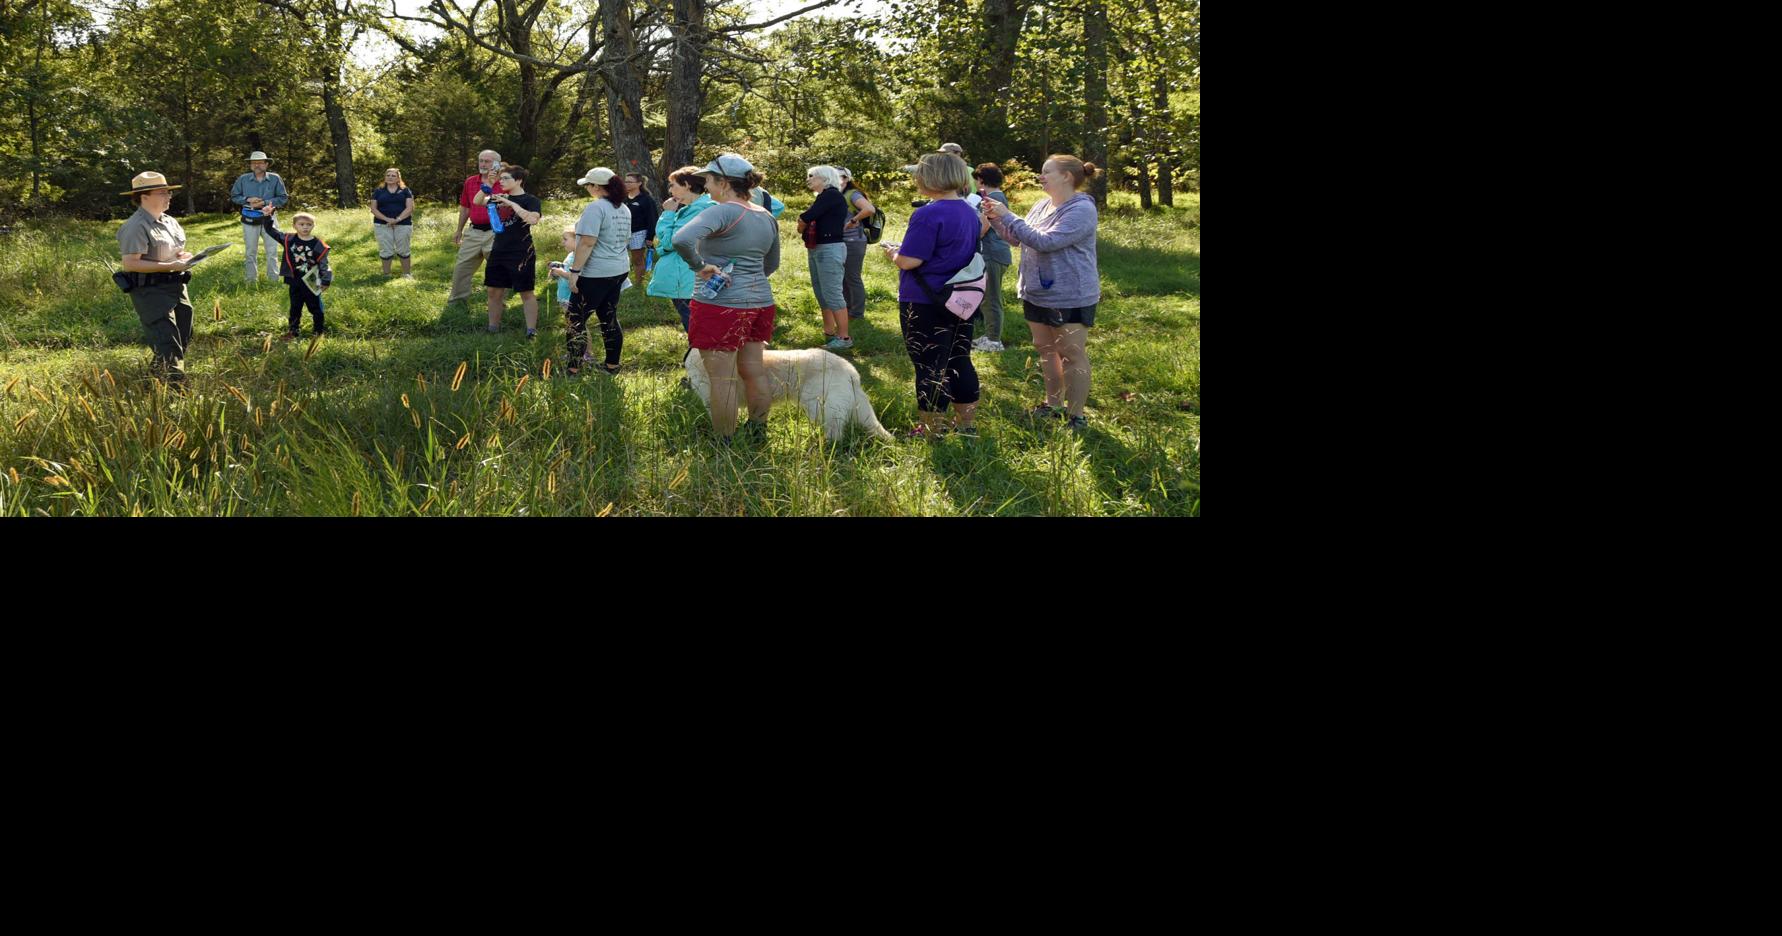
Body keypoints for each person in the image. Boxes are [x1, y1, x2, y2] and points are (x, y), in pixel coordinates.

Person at [983, 154, 1100, 431]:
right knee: (1046, 350)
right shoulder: (1041, 205)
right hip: (1036, 293)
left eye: (1046, 171)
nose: (1041, 176)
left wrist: (1007, 214)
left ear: (1067, 177)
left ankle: (1076, 416)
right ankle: (1053, 405)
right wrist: (997, 220)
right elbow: (1017, 237)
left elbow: (1046, 242)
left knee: (1071, 353)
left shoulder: (1081, 209)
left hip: (1070, 294)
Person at [671, 154, 781, 442]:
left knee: (721, 378)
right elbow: (772, 264)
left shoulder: (722, 211)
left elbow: (681, 239)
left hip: (720, 305)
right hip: (760, 301)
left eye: (708, 180)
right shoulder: (765, 215)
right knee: (753, 370)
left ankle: (725, 442)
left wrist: (700, 266)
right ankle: (758, 431)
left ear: (723, 182)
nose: (705, 186)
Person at [882, 152, 981, 438]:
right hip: (961, 298)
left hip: (925, 301)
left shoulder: (927, 213)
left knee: (928, 364)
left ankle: (931, 430)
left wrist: (894, 253)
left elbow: (910, 261)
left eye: (919, 173)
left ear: (930, 177)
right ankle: (967, 425)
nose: (916, 178)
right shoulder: (969, 212)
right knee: (959, 359)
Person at [117, 171, 198, 385]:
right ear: (144, 196)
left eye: (168, 192)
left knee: (182, 337)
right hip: (150, 291)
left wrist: (184, 257)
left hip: (177, 286)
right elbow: (130, 263)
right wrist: (172, 265)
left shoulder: (170, 222)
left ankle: (152, 381)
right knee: (167, 342)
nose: (168, 197)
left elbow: (175, 250)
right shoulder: (135, 226)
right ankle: (175, 395)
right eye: (162, 193)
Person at [564, 167, 632, 377]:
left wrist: (575, 271)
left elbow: (586, 242)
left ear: (597, 187)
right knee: (608, 317)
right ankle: (612, 366)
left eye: (588, 185)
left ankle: (573, 368)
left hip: (596, 272)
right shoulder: (623, 208)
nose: (587, 189)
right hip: (619, 269)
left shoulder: (596, 208)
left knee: (575, 319)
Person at [646, 165, 717, 334]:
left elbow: (670, 242)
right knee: (696, 323)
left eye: (673, 185)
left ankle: (702, 359)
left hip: (686, 277)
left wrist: (667, 214)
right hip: (688, 275)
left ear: (686, 185)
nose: (670, 190)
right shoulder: (691, 209)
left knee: (695, 326)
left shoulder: (699, 210)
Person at [475, 165, 545, 337]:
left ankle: (531, 330)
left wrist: (510, 203)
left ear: (519, 180)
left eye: (506, 178)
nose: (502, 181)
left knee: (525, 291)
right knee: (493, 290)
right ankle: (493, 328)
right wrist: (489, 184)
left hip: (521, 251)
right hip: (499, 250)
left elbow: (532, 219)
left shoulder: (531, 200)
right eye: (501, 178)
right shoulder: (497, 197)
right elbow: (477, 201)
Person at [798, 165, 851, 350]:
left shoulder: (831, 195)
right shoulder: (824, 196)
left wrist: (800, 225)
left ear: (824, 178)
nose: (809, 179)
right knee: (822, 292)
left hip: (829, 248)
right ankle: (829, 332)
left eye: (812, 176)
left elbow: (806, 217)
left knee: (832, 293)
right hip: (820, 247)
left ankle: (843, 338)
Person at [448, 149, 505, 309]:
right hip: (473, 232)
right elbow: (465, 207)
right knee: (462, 266)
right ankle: (457, 301)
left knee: (497, 269)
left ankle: (498, 303)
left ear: (497, 164)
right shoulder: (471, 181)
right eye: (481, 160)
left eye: (487, 161)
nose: (483, 164)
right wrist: (459, 230)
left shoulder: (505, 182)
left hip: (497, 233)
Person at [263, 212, 334, 340]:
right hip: (294, 280)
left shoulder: (318, 244)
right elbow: (270, 230)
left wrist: (326, 280)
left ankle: (318, 332)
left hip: (311, 281)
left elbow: (324, 264)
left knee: (316, 308)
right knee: (295, 308)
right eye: (301, 224)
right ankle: (293, 332)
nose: (305, 227)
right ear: (295, 226)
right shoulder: (288, 239)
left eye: (309, 224)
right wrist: (268, 216)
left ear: (313, 226)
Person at [230, 151, 288, 285]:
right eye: (254, 163)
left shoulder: (275, 178)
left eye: (260, 162)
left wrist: (265, 203)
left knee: (272, 250)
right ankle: (251, 281)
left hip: (270, 217)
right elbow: (234, 196)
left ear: (266, 164)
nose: (257, 165)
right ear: (250, 165)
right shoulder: (243, 179)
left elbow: (283, 198)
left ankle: (273, 281)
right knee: (250, 251)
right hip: (249, 218)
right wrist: (247, 199)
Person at [971, 163, 1012, 352]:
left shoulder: (991, 198)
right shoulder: (997, 196)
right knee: (987, 297)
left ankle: (994, 341)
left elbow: (983, 228)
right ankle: (989, 335)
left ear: (981, 180)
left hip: (993, 254)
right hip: (994, 253)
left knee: (991, 298)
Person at [836, 168, 876, 322]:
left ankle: (857, 313)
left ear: (846, 179)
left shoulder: (853, 194)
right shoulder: (838, 194)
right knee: (844, 277)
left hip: (854, 241)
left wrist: (854, 220)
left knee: (852, 277)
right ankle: (847, 309)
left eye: (839, 176)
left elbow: (869, 209)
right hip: (842, 241)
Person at [370, 167, 415, 278]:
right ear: (385, 177)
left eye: (393, 175)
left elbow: (410, 208)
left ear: (398, 178)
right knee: (386, 249)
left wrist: (397, 219)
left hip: (403, 224)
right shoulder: (378, 191)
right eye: (388, 175)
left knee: (403, 249)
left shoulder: (405, 191)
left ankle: (406, 274)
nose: (390, 177)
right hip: (382, 224)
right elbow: (373, 209)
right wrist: (387, 219)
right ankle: (386, 274)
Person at [622, 172, 660, 286]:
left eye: (630, 182)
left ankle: (638, 284)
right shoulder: (623, 198)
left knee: (637, 260)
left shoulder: (646, 199)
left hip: (639, 233)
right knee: (620, 258)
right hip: (622, 233)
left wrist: (650, 237)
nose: (626, 184)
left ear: (639, 183)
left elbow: (652, 219)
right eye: (626, 181)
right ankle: (622, 283)